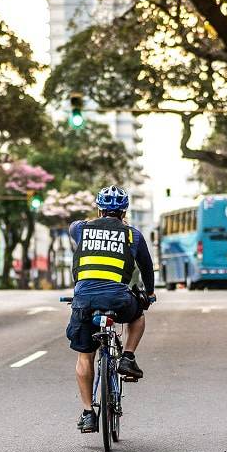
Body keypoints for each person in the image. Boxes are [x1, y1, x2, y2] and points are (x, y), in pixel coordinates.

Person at [67, 185, 155, 434]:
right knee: (137, 315)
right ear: (124, 211)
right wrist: (148, 294)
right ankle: (127, 356)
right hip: (118, 299)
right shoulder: (132, 235)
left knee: (85, 355)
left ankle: (87, 414)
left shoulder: (81, 229)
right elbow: (146, 268)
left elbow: (74, 225)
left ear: (99, 208)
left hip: (84, 299)